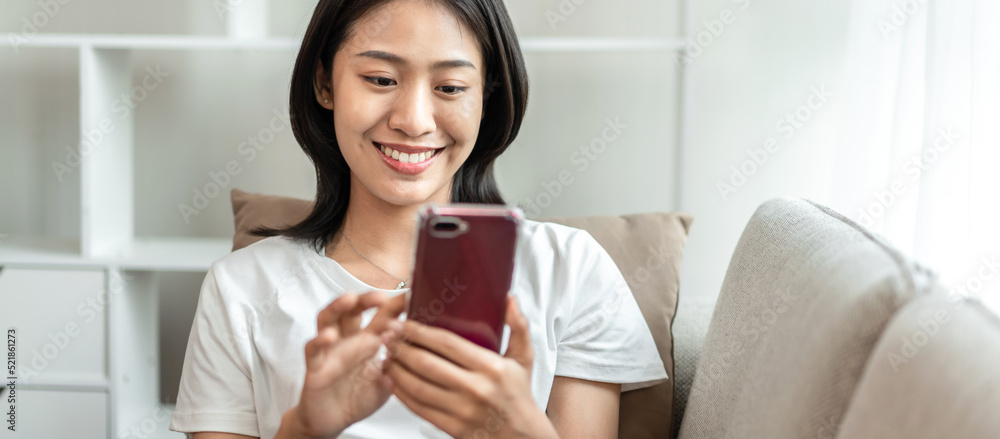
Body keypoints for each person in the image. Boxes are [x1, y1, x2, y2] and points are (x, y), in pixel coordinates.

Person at [168, 0, 667, 438]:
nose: (414, 120)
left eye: (450, 87)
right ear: (325, 83)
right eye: (381, 79)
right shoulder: (240, 286)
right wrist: (304, 430)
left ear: (486, 98)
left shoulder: (570, 268)